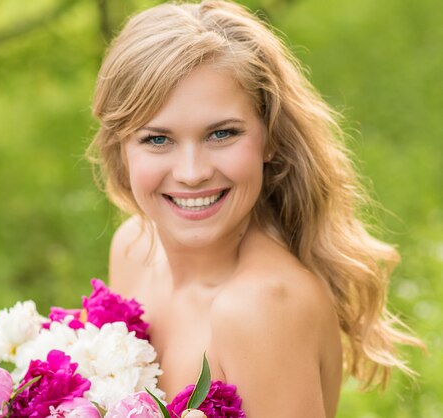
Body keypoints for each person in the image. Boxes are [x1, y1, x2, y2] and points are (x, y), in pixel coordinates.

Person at [87, 1, 423, 417]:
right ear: (121, 145)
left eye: (222, 134)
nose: (192, 173)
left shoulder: (260, 309)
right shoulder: (134, 247)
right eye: (158, 139)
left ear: (270, 138)